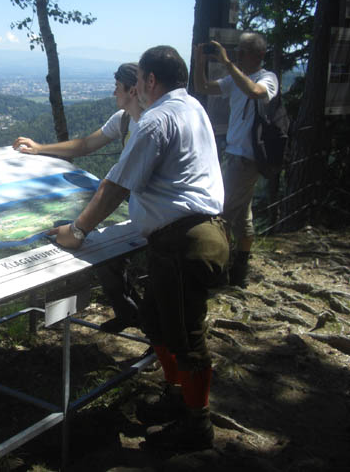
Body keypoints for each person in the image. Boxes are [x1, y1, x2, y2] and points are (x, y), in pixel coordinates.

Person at [48, 46, 229, 451]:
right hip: (193, 237)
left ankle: (197, 424)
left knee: (187, 338)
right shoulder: (193, 108)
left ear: (149, 80)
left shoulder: (155, 121)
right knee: (156, 321)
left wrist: (77, 231)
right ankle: (176, 396)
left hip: (183, 243)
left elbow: (115, 187)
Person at [13, 63, 145, 332]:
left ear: (132, 90)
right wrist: (40, 148)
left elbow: (116, 184)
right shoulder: (123, 119)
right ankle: (129, 312)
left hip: (155, 213)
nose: (113, 93)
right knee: (108, 259)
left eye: (117, 87)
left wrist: (78, 229)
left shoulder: (151, 125)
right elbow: (85, 144)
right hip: (138, 206)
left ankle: (151, 334)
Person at [194, 33, 279, 288]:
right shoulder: (235, 78)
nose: (238, 56)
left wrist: (228, 63)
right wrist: (199, 61)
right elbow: (203, 87)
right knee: (242, 216)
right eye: (237, 51)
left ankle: (219, 272)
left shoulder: (267, 78)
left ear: (259, 55)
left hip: (247, 157)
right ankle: (240, 269)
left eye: (243, 52)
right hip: (235, 154)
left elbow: (255, 92)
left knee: (222, 215)